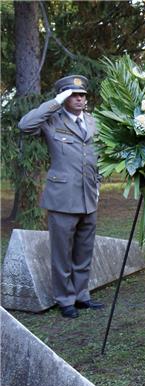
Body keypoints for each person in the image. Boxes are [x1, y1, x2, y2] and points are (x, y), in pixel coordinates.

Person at [18, 75, 105, 318]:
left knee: (84, 250)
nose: (79, 99)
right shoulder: (51, 121)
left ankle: (81, 295)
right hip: (62, 198)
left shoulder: (92, 121)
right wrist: (54, 102)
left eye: (82, 95)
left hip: (89, 196)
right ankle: (65, 299)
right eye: (72, 95)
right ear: (63, 97)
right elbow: (25, 126)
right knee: (62, 252)